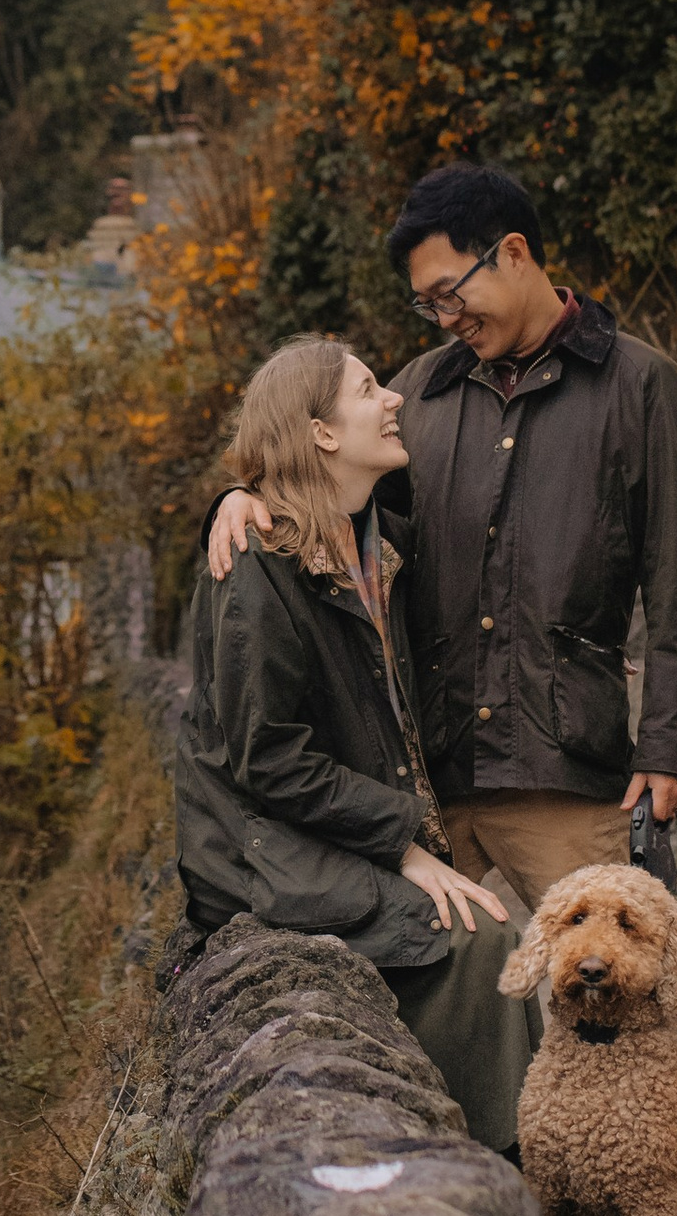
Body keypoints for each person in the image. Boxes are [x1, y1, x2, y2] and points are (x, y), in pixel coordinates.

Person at [209, 159, 677, 925]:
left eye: (450, 294)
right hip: (423, 778)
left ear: (513, 252)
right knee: (398, 988)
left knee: (616, 985)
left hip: (568, 773)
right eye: (427, 304)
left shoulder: (640, 387)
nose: (444, 318)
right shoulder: (417, 391)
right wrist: (243, 497)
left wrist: (670, 747)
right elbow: (338, 515)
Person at [175, 330, 537, 1157]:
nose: (394, 398)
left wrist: (235, 490)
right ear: (322, 433)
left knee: (490, 934)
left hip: (322, 826)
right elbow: (267, 759)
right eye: (369, 389)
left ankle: (518, 1168)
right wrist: (403, 847)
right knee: (484, 942)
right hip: (260, 849)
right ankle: (496, 1168)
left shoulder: (376, 539)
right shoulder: (257, 563)